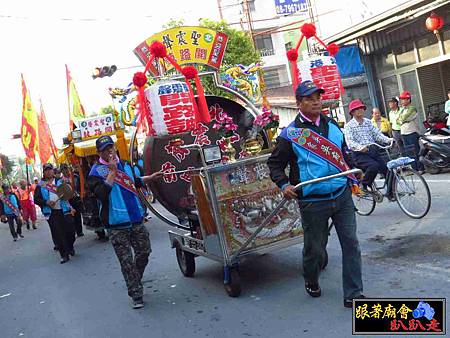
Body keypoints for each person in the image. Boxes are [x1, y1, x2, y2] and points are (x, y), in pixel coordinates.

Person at [267, 81, 364, 308]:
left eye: (318, 97)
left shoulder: (333, 126)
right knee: (315, 249)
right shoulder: (290, 134)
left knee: (351, 244)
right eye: (309, 98)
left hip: (341, 194)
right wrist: (284, 185)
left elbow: (345, 154)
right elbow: (275, 164)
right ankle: (311, 278)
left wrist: (354, 171)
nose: (316, 102)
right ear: (299, 103)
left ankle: (354, 294)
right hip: (312, 200)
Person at [88, 135, 163, 309]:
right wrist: (112, 173)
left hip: (135, 218)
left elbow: (134, 182)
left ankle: (134, 278)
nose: (109, 151)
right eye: (105, 150)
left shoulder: (126, 165)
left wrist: (150, 177)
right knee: (126, 261)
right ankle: (136, 294)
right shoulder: (95, 172)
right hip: (116, 224)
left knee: (144, 251)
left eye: (111, 147)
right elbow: (100, 194)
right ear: (99, 152)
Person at [344, 99, 392, 192]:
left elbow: (377, 134)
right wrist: (360, 148)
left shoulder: (368, 122)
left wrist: (389, 140)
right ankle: (364, 184)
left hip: (372, 150)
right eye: (357, 109)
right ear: (352, 112)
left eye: (361, 108)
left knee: (386, 169)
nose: (360, 110)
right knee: (373, 166)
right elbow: (350, 142)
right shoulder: (349, 126)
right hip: (359, 154)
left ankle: (391, 192)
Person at [34, 163, 76, 264]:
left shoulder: (60, 181)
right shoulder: (40, 185)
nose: (49, 172)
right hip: (51, 212)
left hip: (64, 209)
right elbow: (36, 199)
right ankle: (64, 255)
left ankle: (70, 246)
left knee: (70, 231)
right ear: (43, 172)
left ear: (53, 171)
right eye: (46, 170)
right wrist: (46, 202)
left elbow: (69, 193)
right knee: (58, 233)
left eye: (50, 169)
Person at [397, 91, 425, 173]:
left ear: (408, 100)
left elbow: (404, 118)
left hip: (412, 132)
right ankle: (414, 168)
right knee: (409, 152)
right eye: (401, 99)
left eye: (403, 99)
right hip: (404, 132)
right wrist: (401, 120)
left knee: (415, 150)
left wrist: (402, 120)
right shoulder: (402, 110)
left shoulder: (412, 108)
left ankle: (420, 168)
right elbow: (397, 121)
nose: (402, 101)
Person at [60, 164, 84, 237]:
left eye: (66, 168)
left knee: (78, 215)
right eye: (63, 170)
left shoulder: (75, 176)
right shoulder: (61, 180)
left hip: (76, 197)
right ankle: (75, 230)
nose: (65, 171)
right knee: (71, 216)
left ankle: (79, 231)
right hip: (69, 199)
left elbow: (79, 185)